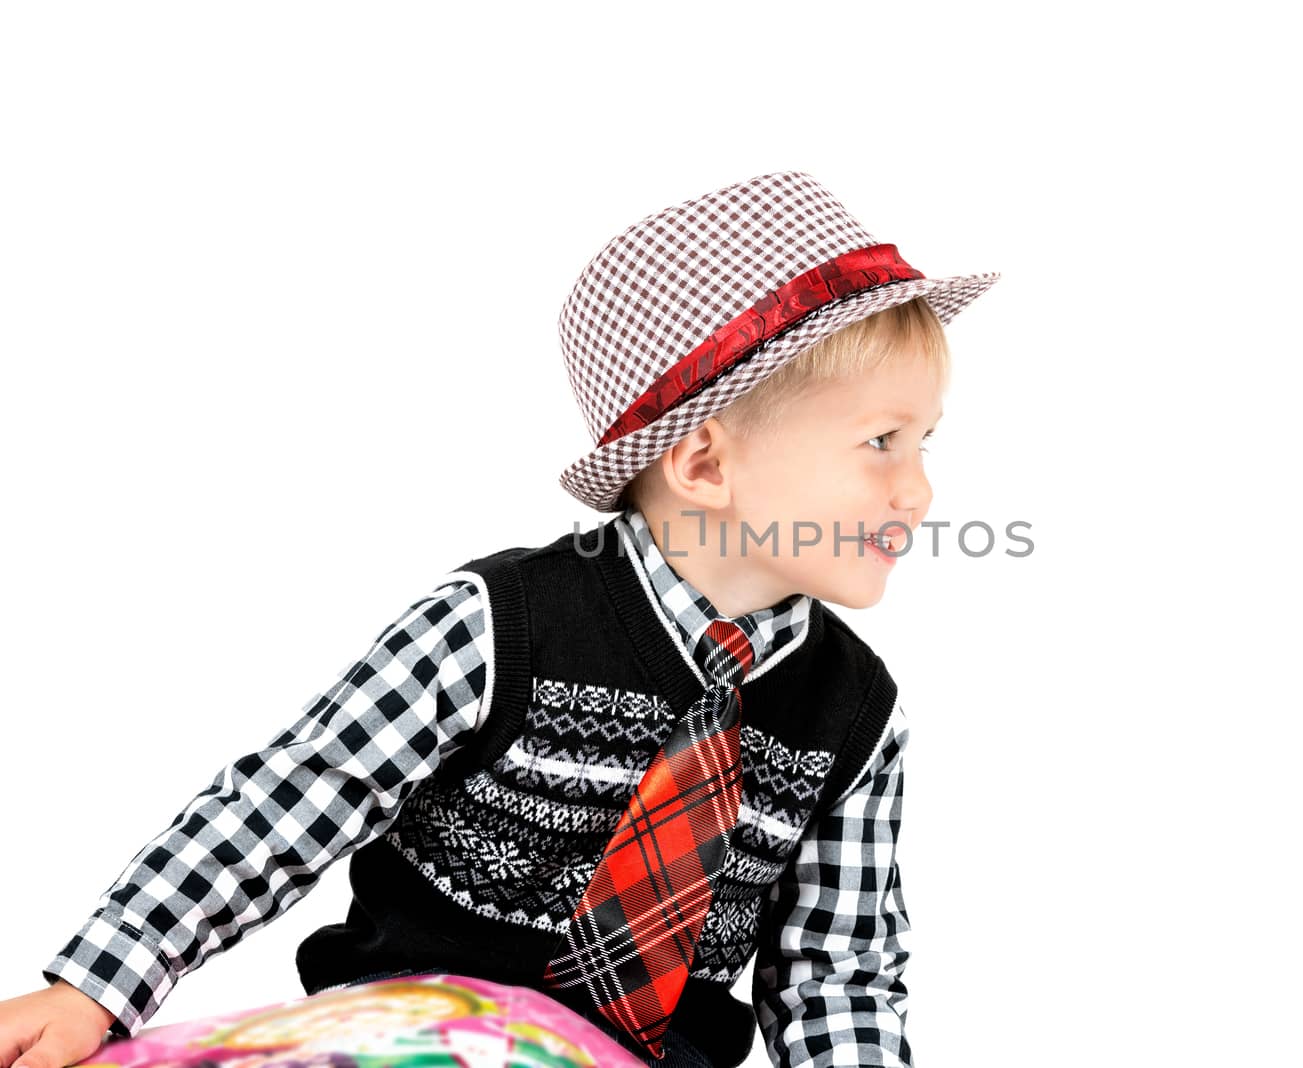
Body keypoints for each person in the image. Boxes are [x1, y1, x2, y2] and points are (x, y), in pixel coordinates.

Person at [0, 170, 999, 1068]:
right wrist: (99, 982)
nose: (916, 491)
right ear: (703, 465)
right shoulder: (496, 626)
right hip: (419, 1029)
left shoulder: (855, 713)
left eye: (924, 443)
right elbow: (284, 805)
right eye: (880, 443)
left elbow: (838, 972)